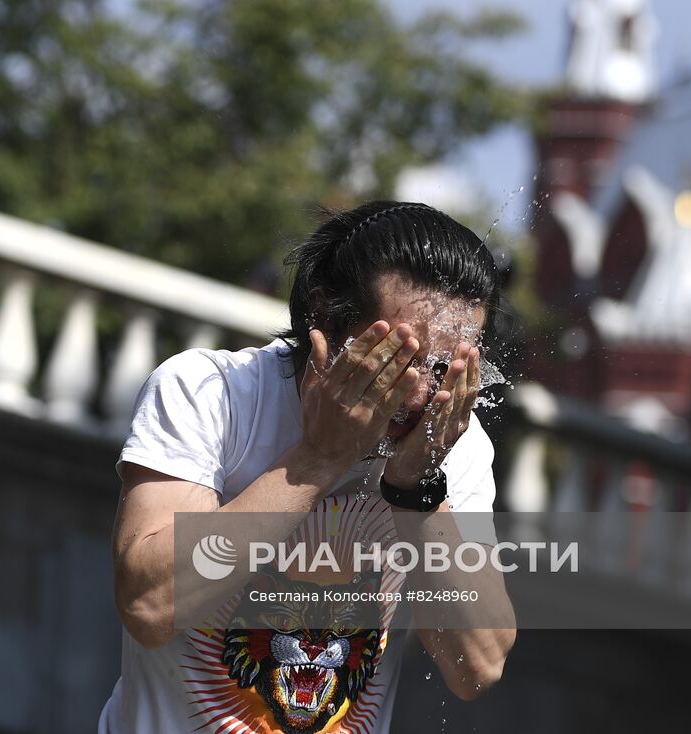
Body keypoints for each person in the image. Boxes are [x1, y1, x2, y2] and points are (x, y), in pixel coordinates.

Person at [101, 201, 517, 733]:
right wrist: (319, 458)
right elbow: (149, 607)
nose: (420, 394)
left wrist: (419, 490)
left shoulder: (452, 444)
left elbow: (477, 668)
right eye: (400, 358)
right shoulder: (212, 393)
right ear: (324, 317)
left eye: (444, 367)